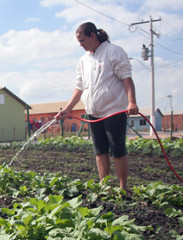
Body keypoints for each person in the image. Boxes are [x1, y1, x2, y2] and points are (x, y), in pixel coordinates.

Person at [56, 22, 139, 192]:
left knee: (118, 150)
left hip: (114, 110)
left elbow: (126, 79)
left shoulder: (113, 51)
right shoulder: (83, 60)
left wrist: (131, 102)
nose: (80, 44)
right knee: (100, 151)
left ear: (93, 36)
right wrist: (67, 109)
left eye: (82, 40)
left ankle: (123, 187)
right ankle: (105, 186)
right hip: (93, 112)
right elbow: (79, 88)